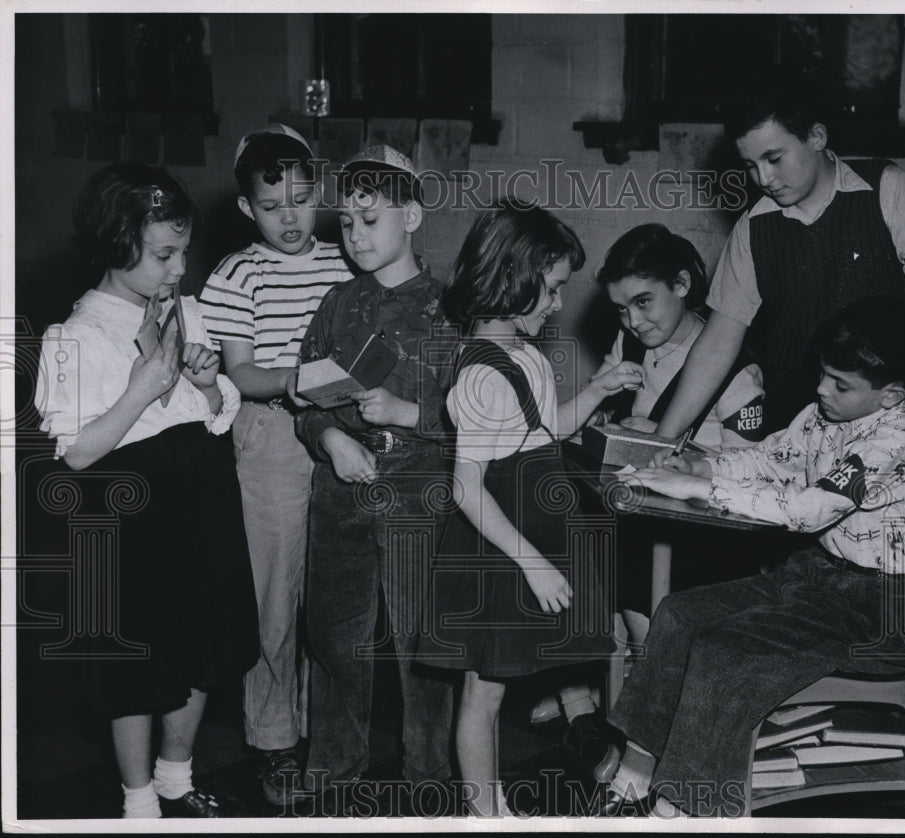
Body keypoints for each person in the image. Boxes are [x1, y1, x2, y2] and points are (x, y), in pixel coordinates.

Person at [581, 296, 905, 817]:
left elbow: (810, 509)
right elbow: (772, 457)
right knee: (679, 614)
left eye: (840, 384)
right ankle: (637, 772)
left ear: (891, 395)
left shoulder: (897, 438)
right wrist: (704, 467)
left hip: (879, 613)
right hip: (818, 579)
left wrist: (698, 489)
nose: (821, 389)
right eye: (823, 375)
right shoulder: (830, 414)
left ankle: (686, 808)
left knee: (726, 651)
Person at [34, 163, 259, 818]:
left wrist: (208, 383)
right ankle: (138, 803)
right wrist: (142, 390)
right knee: (135, 666)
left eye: (183, 251)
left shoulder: (186, 313)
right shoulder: (76, 336)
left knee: (200, 647)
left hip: (200, 505)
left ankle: (175, 778)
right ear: (117, 244)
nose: (180, 268)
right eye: (164, 255)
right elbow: (76, 452)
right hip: (133, 521)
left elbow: (215, 415)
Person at [415, 200, 646, 816]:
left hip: (525, 537)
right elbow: (467, 486)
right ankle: (484, 816)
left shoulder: (525, 355)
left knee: (495, 689)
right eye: (551, 289)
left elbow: (545, 433)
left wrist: (597, 389)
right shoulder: (482, 374)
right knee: (482, 694)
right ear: (512, 278)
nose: (558, 304)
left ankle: (491, 810)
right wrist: (534, 564)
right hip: (499, 550)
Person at [654, 75, 905, 450]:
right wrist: (661, 440)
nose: (764, 178)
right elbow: (718, 343)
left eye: (774, 159)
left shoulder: (889, 189)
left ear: (817, 137)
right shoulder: (752, 227)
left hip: (887, 411)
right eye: (750, 165)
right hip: (794, 417)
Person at [554, 223, 766, 759]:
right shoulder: (630, 341)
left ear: (683, 285)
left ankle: (640, 727)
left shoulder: (737, 369)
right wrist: (607, 421)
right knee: (560, 545)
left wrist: (667, 442)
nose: (633, 321)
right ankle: (586, 705)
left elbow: (749, 471)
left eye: (644, 302)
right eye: (621, 309)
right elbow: (601, 410)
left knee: (642, 614)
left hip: (702, 536)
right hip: (634, 516)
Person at [294, 145, 455, 805]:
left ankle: (429, 776)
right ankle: (332, 770)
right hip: (341, 486)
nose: (355, 236)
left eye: (371, 220)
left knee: (423, 643)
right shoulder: (337, 303)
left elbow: (477, 415)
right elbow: (305, 401)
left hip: (420, 486)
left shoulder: (452, 309)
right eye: (346, 224)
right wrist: (329, 437)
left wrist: (408, 412)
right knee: (334, 636)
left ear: (411, 217)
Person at [197, 124, 353, 806]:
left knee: (333, 593)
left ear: (319, 193)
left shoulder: (343, 262)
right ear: (246, 208)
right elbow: (240, 372)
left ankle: (327, 732)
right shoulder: (238, 275)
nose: (289, 218)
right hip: (271, 436)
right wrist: (304, 380)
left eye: (301, 200)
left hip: (342, 431)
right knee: (275, 596)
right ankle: (273, 739)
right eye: (270, 206)